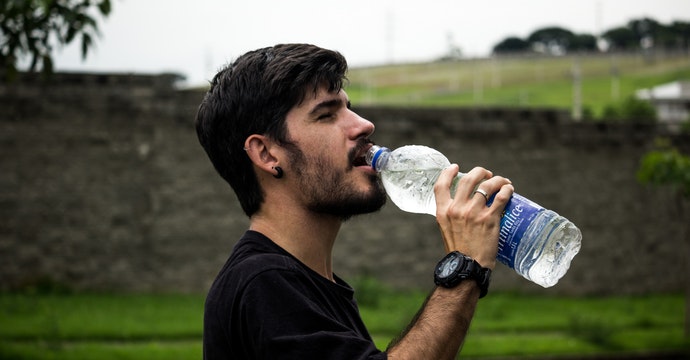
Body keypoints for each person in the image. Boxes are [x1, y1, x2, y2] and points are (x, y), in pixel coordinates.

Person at [195, 43, 514, 360]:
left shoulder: (309, 283)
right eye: (326, 115)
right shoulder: (263, 281)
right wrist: (465, 268)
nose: (364, 125)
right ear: (267, 154)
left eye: (349, 107)